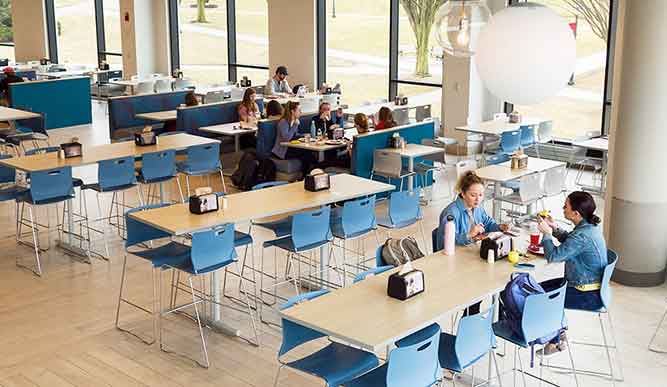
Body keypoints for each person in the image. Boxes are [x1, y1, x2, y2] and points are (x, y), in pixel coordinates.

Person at [536, 191, 608, 355]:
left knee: (539, 297)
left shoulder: (582, 236)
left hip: (586, 294)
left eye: (565, 206)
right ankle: (558, 334)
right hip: (592, 287)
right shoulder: (590, 227)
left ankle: (556, 340)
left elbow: (553, 256)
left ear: (576, 213)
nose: (562, 208)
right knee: (537, 288)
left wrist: (546, 234)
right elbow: (572, 241)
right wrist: (554, 228)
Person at [436, 171, 510, 316]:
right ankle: (471, 319)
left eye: (481, 195)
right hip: (455, 260)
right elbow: (445, 241)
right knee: (478, 289)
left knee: (501, 279)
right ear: (462, 193)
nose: (478, 199)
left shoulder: (478, 208)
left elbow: (487, 222)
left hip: (471, 255)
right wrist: (469, 235)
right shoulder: (451, 213)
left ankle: (497, 318)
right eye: (473, 195)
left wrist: (498, 227)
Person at [272, 101, 313, 174]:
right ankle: (306, 175)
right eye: (299, 110)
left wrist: (304, 135)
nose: (301, 112)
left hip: (289, 148)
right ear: (292, 111)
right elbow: (286, 138)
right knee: (306, 153)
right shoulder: (283, 122)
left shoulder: (293, 121)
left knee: (308, 153)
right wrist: (295, 125)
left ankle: (307, 174)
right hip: (282, 151)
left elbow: (294, 135)